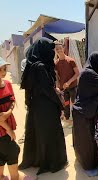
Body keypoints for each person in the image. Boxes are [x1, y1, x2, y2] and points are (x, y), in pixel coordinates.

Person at [19, 38, 68, 175]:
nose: (52, 51)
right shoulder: (40, 67)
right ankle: (51, 162)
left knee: (39, 134)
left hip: (37, 106)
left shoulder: (34, 65)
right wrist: (60, 105)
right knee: (48, 134)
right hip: (46, 107)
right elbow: (47, 90)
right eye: (50, 49)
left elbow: (33, 89)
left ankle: (38, 160)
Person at [54, 43, 80, 126]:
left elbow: (77, 73)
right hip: (64, 89)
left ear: (63, 49)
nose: (58, 50)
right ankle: (67, 119)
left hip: (73, 87)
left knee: (75, 103)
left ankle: (76, 120)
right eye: (57, 49)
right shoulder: (56, 63)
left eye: (60, 48)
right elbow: (57, 76)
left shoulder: (71, 60)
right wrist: (58, 86)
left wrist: (69, 82)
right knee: (66, 104)